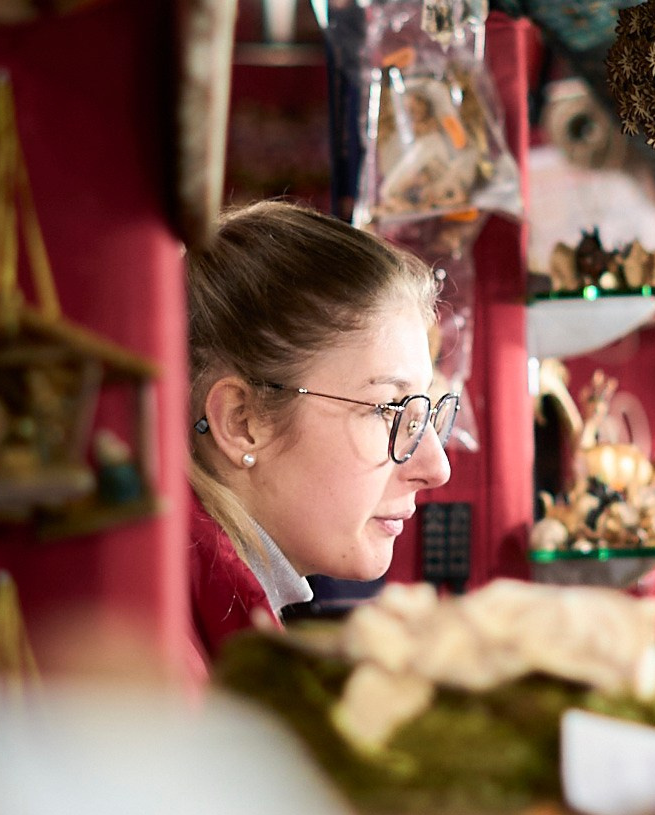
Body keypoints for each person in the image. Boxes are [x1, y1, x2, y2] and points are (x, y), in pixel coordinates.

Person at [185, 202, 455, 661]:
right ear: (241, 422)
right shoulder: (161, 671)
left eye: (425, 414)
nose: (436, 467)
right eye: (390, 409)